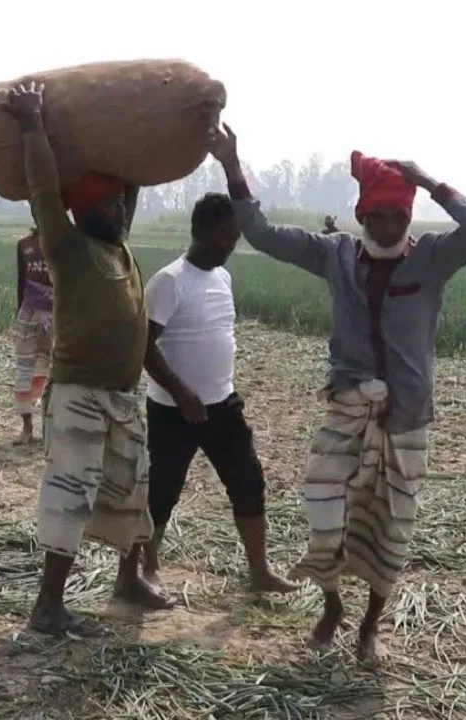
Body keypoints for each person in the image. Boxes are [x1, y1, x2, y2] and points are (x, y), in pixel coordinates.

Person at [208, 123, 466, 663]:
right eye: (378, 215)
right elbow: (264, 234)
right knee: (323, 508)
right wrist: (232, 165)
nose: (387, 226)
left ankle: (369, 625)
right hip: (346, 408)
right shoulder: (336, 255)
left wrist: (432, 183)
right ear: (361, 215)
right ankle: (332, 603)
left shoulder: (432, 258)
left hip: (406, 417)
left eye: (398, 216)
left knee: (390, 523)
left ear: (409, 218)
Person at [6, 81, 172, 636]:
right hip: (78, 395)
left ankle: (128, 580)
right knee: (69, 498)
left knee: (133, 493)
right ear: (84, 209)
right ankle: (48, 606)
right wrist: (31, 125)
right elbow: (42, 189)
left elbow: (136, 178)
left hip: (124, 398)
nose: (121, 207)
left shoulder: (119, 245)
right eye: (110, 201)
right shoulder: (67, 245)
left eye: (122, 200)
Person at [138, 192, 300, 595]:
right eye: (225, 237)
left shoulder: (223, 277)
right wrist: (181, 393)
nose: (232, 245)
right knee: (162, 492)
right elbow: (142, 345)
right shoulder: (169, 281)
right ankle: (148, 567)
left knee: (248, 482)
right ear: (202, 232)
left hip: (223, 407)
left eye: (235, 236)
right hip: (173, 411)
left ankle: (259, 571)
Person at [13, 225, 52, 444]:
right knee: (25, 370)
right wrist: (20, 314)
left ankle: (50, 428)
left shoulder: (68, 241)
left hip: (60, 314)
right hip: (30, 313)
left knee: (56, 373)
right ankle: (27, 427)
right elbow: (22, 282)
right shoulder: (24, 245)